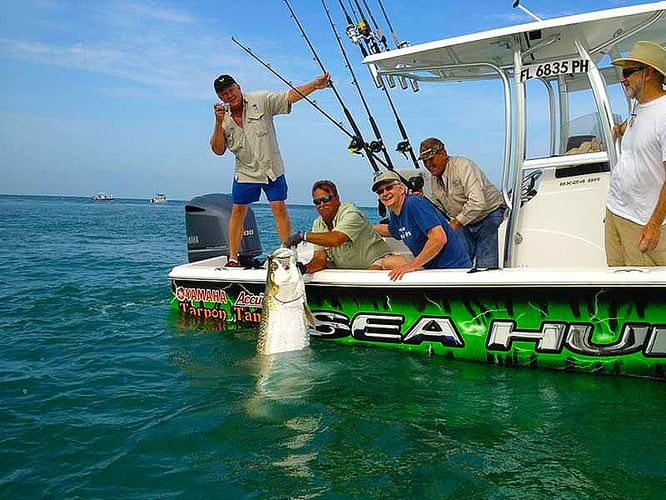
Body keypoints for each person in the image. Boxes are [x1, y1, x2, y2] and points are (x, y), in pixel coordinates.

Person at [210, 72, 331, 267]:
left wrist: (315, 85)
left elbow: (289, 96)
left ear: (238, 87)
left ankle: (287, 252)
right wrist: (217, 122)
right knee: (238, 212)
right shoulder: (222, 118)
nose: (229, 95)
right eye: (223, 94)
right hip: (245, 171)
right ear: (219, 97)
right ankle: (233, 257)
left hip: (271, 168)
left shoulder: (261, 99)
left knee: (279, 209)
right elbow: (217, 150)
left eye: (231, 90)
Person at [605, 41, 666, 266]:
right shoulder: (639, 107)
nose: (623, 79)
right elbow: (638, 130)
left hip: (643, 223)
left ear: (649, 73)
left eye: (628, 72)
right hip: (616, 211)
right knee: (615, 290)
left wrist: (653, 225)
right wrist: (618, 130)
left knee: (643, 298)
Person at [283, 180, 408, 273]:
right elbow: (320, 258)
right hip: (345, 268)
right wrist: (304, 269)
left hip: (376, 262)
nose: (322, 204)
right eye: (317, 201)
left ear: (337, 199)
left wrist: (303, 236)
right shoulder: (318, 223)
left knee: (366, 279)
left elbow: (336, 239)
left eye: (326, 199)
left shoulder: (351, 213)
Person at [418, 137, 505, 268]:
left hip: (490, 215)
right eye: (425, 161)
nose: (428, 164)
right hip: (465, 222)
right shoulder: (434, 179)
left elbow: (478, 202)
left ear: (443, 154)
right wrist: (421, 200)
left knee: (485, 265)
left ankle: (486, 286)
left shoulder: (463, 166)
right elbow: (439, 207)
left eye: (431, 159)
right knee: (457, 262)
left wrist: (456, 222)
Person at [372, 171, 471, 281]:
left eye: (389, 188)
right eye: (380, 191)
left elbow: (439, 239)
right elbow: (392, 231)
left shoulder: (414, 203)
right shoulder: (395, 212)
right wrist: (366, 228)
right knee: (388, 262)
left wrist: (412, 266)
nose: (385, 193)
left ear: (401, 189)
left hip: (451, 270)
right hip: (430, 268)